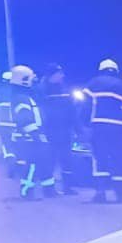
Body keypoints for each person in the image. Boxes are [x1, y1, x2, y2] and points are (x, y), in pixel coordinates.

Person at [84, 58, 122, 202]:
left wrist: (85, 127)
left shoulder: (93, 84)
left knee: (99, 158)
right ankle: (121, 194)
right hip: (118, 128)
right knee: (119, 158)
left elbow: (86, 107)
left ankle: (100, 192)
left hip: (98, 127)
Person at [6, 65, 54, 198]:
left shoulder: (22, 97)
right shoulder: (21, 98)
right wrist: (35, 135)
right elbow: (25, 119)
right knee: (32, 164)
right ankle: (27, 190)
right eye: (32, 79)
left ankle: (49, 189)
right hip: (28, 138)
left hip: (31, 137)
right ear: (24, 80)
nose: (34, 82)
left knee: (44, 162)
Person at [39, 64, 79, 194]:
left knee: (67, 160)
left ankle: (68, 187)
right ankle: (48, 189)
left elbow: (72, 111)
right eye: (59, 73)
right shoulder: (41, 90)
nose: (62, 76)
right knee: (49, 160)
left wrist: (77, 129)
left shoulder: (65, 90)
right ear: (52, 75)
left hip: (65, 131)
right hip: (49, 131)